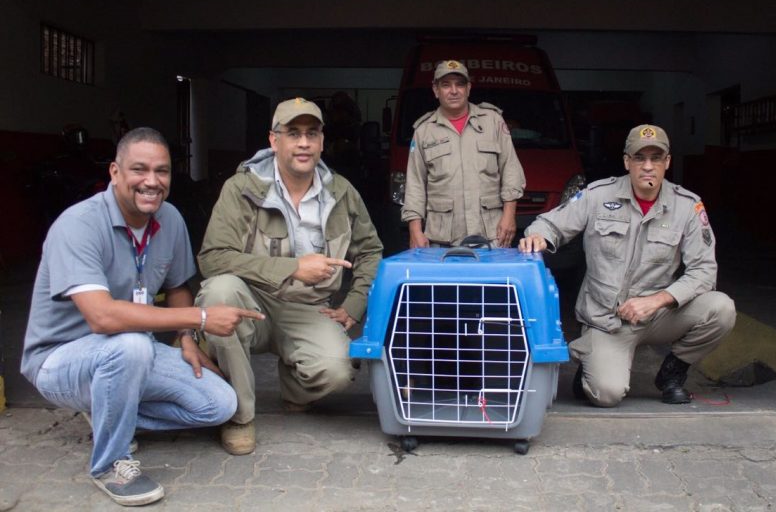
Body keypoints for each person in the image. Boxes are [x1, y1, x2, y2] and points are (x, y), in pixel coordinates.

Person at [20, 127, 262, 507]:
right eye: (139, 170)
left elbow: (178, 285)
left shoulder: (170, 219)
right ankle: (110, 463)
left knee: (219, 405)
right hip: (61, 361)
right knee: (130, 344)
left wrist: (185, 338)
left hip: (133, 356)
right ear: (115, 172)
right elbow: (101, 318)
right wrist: (200, 318)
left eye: (162, 171)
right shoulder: (79, 224)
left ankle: (108, 412)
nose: (152, 182)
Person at [196, 97, 383, 455]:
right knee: (219, 291)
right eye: (293, 133)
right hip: (250, 301)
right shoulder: (242, 189)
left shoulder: (341, 192)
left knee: (337, 371)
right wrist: (292, 267)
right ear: (273, 140)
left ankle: (295, 388)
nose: (303, 143)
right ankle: (239, 415)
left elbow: (371, 251)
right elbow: (212, 259)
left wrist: (354, 306)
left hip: (308, 307)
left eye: (312, 134)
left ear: (322, 142)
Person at [519, 124, 735, 407]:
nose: (648, 166)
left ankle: (673, 371)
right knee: (605, 394)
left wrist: (657, 301)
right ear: (626, 161)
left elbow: (705, 271)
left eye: (656, 158)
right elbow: (549, 222)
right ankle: (589, 357)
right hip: (608, 319)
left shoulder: (688, 206)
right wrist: (539, 236)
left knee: (721, 309)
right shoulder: (599, 194)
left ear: (667, 162)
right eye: (639, 158)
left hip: (658, 315)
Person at [401, 60, 525, 248]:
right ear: (435, 90)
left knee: (492, 279)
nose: (453, 91)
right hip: (442, 240)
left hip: (491, 234)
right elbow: (415, 183)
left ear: (468, 88)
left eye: (460, 84)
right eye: (446, 85)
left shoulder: (492, 121)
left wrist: (509, 216)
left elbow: (510, 169)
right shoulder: (424, 131)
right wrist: (415, 230)